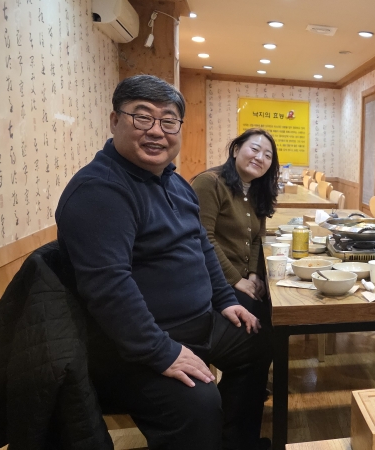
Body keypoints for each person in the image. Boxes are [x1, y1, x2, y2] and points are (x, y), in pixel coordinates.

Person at [55, 75, 272, 450]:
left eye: (168, 121)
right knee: (200, 403)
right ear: (114, 121)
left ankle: (236, 442)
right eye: (142, 117)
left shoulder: (174, 182)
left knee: (258, 342)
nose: (156, 131)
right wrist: (163, 352)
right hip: (133, 347)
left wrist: (225, 300)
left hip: (199, 323)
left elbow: (201, 244)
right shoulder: (100, 190)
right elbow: (109, 288)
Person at [191, 128, 280, 321]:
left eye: (267, 155)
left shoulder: (257, 190)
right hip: (215, 280)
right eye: (254, 149)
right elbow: (203, 237)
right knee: (268, 318)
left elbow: (257, 238)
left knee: (278, 305)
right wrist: (236, 280)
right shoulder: (210, 182)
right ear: (236, 150)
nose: (260, 158)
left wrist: (254, 274)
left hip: (245, 278)